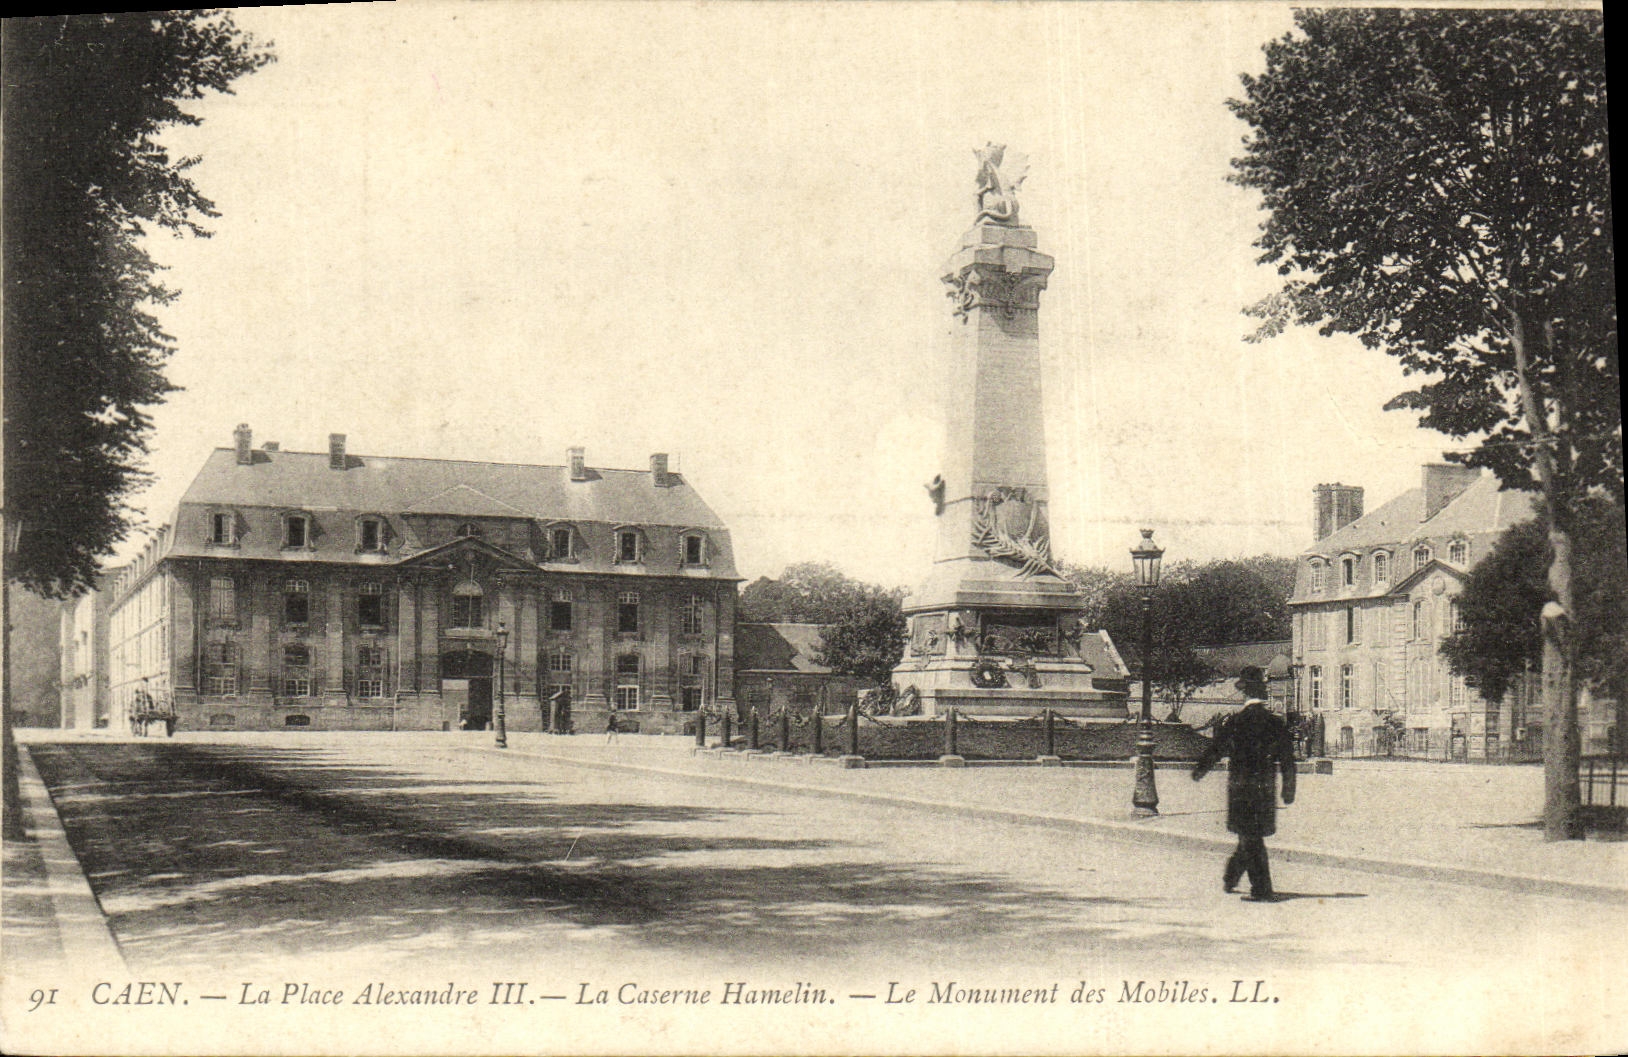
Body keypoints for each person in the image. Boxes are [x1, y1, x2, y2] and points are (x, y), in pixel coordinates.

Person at [1192, 666, 1296, 902]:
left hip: (1240, 789)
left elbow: (1216, 749)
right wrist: (1288, 789)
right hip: (1264, 789)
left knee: (1250, 837)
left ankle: (1262, 889)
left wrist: (1200, 770)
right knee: (1251, 835)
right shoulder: (1275, 723)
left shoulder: (1236, 722)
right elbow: (1288, 759)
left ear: (1245, 694)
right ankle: (1231, 877)